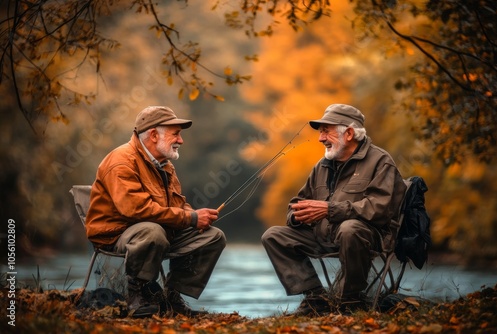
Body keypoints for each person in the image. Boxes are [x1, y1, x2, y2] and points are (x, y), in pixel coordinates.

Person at [261, 104, 407, 315]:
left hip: (366, 237)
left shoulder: (381, 161)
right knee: (273, 235)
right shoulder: (322, 165)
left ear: (348, 133)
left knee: (350, 229)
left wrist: (329, 210)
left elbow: (379, 208)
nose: (321, 138)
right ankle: (316, 299)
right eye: (321, 132)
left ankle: (349, 302)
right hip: (323, 235)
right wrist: (296, 217)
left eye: (326, 131)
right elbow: (298, 201)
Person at [85, 106, 226, 318]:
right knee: (152, 232)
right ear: (153, 135)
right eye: (176, 134)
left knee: (213, 236)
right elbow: (136, 209)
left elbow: (177, 205)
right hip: (117, 235)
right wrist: (190, 218)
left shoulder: (164, 164)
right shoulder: (121, 161)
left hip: (158, 231)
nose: (181, 140)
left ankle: (173, 296)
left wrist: (196, 216)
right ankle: (137, 295)